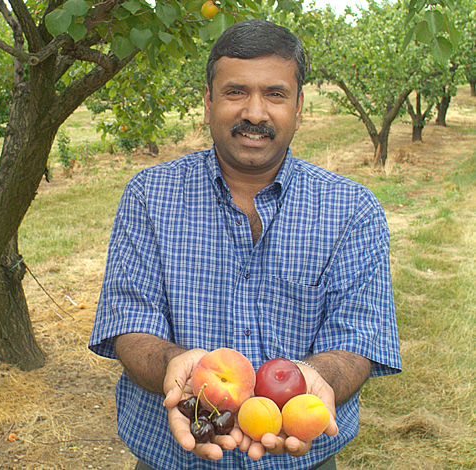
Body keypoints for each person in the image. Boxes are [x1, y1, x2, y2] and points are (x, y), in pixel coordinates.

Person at [89, 19, 401, 470]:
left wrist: (311, 381)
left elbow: (358, 335)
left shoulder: (352, 210)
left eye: (275, 94)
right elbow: (129, 320)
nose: (255, 113)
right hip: (171, 457)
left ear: (298, 109)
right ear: (208, 101)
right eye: (236, 92)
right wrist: (177, 364)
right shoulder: (150, 196)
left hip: (303, 457)